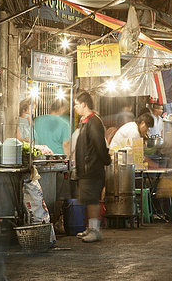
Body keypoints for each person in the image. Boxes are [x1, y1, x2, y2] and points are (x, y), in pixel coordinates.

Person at [73, 90, 111, 243]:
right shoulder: (85, 121)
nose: (75, 108)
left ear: (84, 104)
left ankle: (95, 231)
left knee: (93, 199)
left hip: (92, 168)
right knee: (88, 199)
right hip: (86, 168)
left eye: (76, 105)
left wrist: (105, 160)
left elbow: (99, 145)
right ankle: (90, 228)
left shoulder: (94, 121)